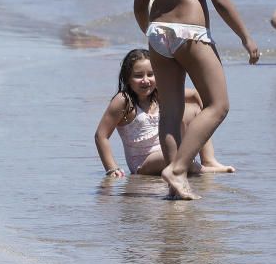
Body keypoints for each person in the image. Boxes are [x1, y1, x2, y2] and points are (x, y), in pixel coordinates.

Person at [133, 0, 259, 200]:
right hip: (191, 34)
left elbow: (139, 6)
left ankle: (176, 186)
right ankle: (178, 168)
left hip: (157, 33)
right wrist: (246, 37)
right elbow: (221, 2)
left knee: (171, 112)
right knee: (218, 105)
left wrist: (153, 36)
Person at [94, 49, 235, 178]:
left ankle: (208, 160)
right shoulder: (124, 101)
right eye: (138, 76)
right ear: (127, 78)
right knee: (174, 156)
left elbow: (194, 95)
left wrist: (203, 114)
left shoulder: (159, 94)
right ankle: (201, 169)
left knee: (193, 112)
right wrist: (111, 168)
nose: (145, 80)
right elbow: (101, 136)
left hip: (168, 151)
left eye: (150, 74)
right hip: (144, 163)